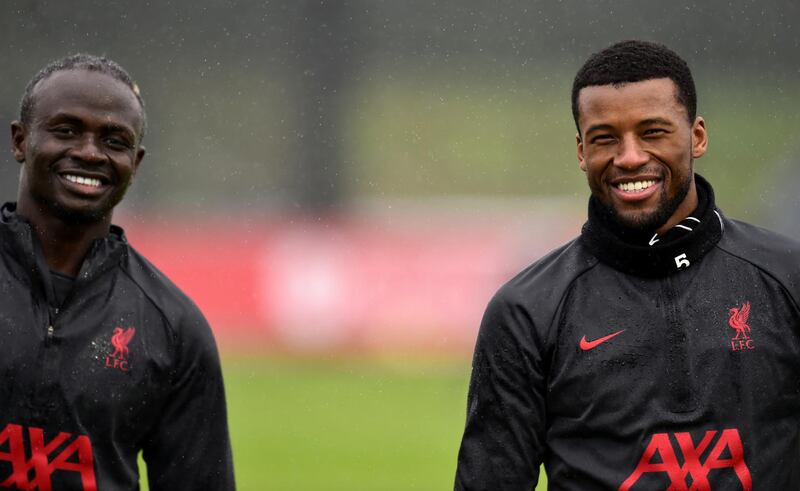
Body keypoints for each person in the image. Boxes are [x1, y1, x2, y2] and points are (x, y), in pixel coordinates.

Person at [455, 40, 800, 490]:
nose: (630, 156)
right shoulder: (527, 310)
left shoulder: (788, 279)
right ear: (581, 151)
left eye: (653, 132)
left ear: (697, 136)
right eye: (605, 138)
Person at [1, 54, 235, 490]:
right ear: (20, 141)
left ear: (136, 162)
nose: (89, 152)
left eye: (114, 140)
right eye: (66, 130)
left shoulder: (172, 328)